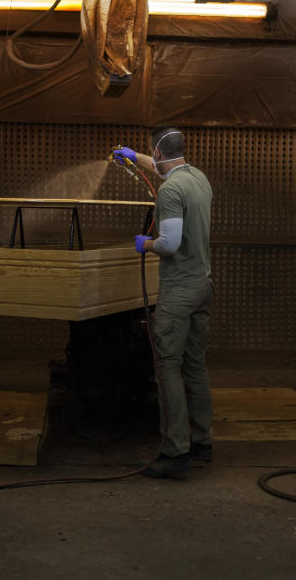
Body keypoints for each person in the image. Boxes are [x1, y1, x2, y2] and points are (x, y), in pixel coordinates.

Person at [111, 127, 214, 479]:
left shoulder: (170, 190)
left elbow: (169, 243)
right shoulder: (197, 178)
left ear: (158, 151)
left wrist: (146, 244)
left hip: (179, 291)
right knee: (195, 366)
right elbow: (161, 168)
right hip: (203, 285)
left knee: (167, 367)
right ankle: (202, 442)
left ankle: (175, 453)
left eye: (148, 153)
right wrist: (129, 154)